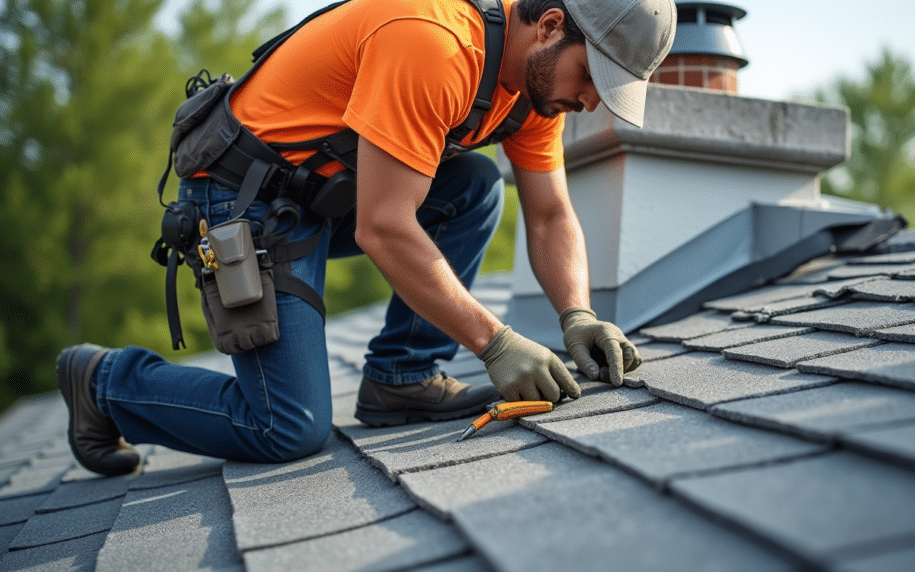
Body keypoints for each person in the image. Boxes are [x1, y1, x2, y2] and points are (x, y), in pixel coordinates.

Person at [55, 0, 676, 476]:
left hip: (326, 192)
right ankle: (105, 383)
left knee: (474, 185)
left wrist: (578, 315)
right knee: (286, 428)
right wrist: (495, 343)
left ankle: (400, 377)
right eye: (590, 76)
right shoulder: (435, 43)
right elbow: (383, 226)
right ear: (549, 27)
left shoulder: (532, 91)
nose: (590, 102)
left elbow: (549, 216)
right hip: (242, 198)